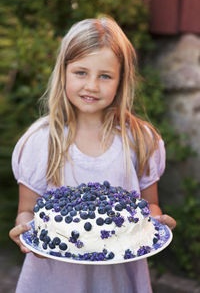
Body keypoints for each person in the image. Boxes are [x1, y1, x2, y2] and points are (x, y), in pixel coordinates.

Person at [9, 17, 176, 293]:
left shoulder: (140, 140)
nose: (92, 86)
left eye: (105, 76)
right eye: (81, 73)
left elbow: (150, 208)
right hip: (54, 282)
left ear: (121, 79)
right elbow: (27, 211)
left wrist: (155, 225)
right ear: (63, 72)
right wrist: (27, 233)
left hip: (118, 282)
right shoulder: (40, 142)